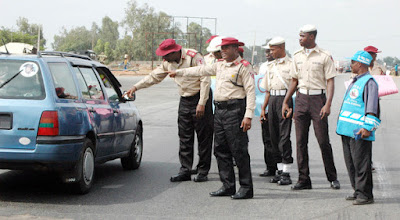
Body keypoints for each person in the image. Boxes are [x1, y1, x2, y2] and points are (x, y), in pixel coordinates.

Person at [169, 37, 256, 199]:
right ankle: (228, 185)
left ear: (236, 49)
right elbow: (199, 71)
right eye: (221, 48)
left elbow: (250, 92)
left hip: (235, 110)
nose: (222, 51)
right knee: (220, 150)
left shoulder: (243, 67)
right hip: (220, 111)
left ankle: (246, 187)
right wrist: (179, 72)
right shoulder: (220, 65)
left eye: (226, 48)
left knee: (238, 150)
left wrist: (248, 115)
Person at [125, 39, 213, 183]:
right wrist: (135, 87)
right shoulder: (168, 62)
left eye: (165, 55)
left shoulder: (194, 56)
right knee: (185, 137)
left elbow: (205, 78)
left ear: (174, 52)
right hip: (185, 99)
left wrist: (202, 103)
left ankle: (203, 171)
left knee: (204, 137)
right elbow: (154, 77)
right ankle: (185, 170)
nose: (163, 58)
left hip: (201, 97)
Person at [282, 24, 340, 190]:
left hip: (318, 100)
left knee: (323, 141)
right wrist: (287, 100)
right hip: (300, 98)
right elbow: (294, 80)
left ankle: (332, 177)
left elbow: (330, 80)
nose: (299, 39)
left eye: (302, 36)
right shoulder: (297, 56)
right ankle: (303, 179)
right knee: (300, 141)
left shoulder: (324, 56)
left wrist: (328, 103)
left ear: (312, 37)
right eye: (299, 36)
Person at [336, 51, 380, 205]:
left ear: (360, 64)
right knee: (352, 163)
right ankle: (357, 190)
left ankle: (365, 195)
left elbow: (372, 107)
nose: (351, 65)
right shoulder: (356, 80)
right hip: (347, 130)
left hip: (359, 131)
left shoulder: (369, 82)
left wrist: (368, 127)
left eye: (353, 62)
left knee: (362, 164)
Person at [260, 37, 293, 185]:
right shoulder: (270, 66)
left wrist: (288, 103)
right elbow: (267, 90)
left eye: (273, 49)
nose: (270, 52)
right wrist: (263, 108)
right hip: (272, 100)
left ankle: (287, 172)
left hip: (285, 100)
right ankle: (279, 170)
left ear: (281, 47)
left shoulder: (292, 64)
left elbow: (295, 84)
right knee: (273, 137)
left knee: (284, 137)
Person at [258, 43, 278, 177]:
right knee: (267, 138)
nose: (267, 54)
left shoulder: (284, 65)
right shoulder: (263, 67)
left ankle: (280, 168)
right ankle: (270, 167)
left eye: (270, 51)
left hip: (278, 103)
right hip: (264, 104)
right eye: (266, 51)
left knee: (278, 138)